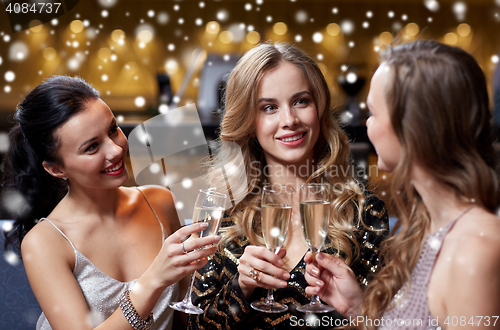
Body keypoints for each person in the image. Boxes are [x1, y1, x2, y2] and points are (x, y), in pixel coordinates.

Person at [187, 42, 389, 329]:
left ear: (318, 108)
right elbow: (196, 327)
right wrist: (241, 288)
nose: (290, 120)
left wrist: (357, 308)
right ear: (248, 121)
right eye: (269, 107)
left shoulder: (365, 213)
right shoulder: (221, 210)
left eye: (301, 101)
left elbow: (386, 323)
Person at [304, 40, 500, 329]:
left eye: (373, 113)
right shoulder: (425, 226)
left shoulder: (475, 252)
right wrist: (356, 308)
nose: (367, 125)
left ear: (415, 126)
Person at [2, 75, 220, 330]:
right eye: (92, 147)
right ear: (56, 168)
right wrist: (153, 280)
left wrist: (237, 285)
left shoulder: (160, 201)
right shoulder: (45, 242)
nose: (116, 150)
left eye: (113, 130)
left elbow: (184, 316)